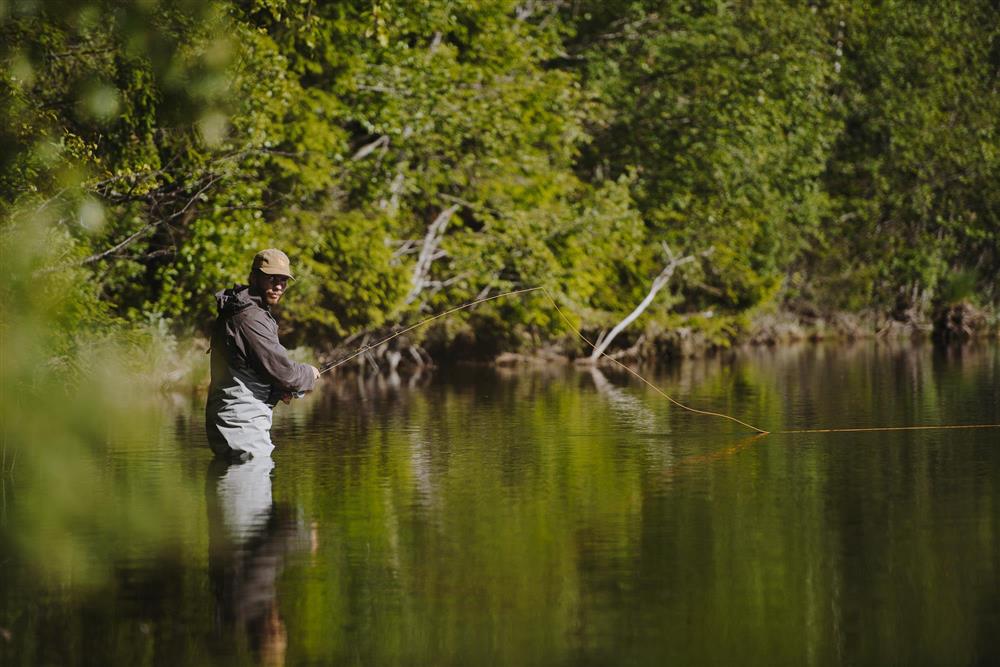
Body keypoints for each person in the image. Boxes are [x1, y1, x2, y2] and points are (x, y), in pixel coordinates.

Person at [206, 248, 319, 461]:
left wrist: (275, 391)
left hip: (235, 425)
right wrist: (309, 373)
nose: (278, 286)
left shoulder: (243, 311)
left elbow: (247, 368)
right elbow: (283, 372)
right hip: (242, 428)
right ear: (254, 276)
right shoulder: (249, 317)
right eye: (272, 278)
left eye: (284, 280)